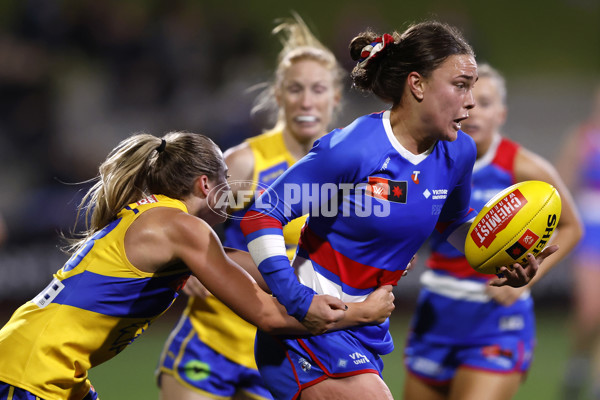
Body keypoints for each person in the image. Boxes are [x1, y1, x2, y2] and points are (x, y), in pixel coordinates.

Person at [239, 21, 558, 400]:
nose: (470, 101)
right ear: (417, 85)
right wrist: (297, 300)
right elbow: (263, 213)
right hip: (309, 332)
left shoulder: (459, 152)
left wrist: (503, 255)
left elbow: (454, 223)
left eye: (472, 87)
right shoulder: (353, 149)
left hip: (367, 327)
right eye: (460, 85)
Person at [0, 131, 395, 400]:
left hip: (41, 363)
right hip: (31, 370)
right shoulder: (184, 229)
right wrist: (362, 313)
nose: (234, 186)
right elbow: (268, 316)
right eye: (226, 177)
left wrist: (347, 220)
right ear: (205, 185)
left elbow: (245, 232)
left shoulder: (159, 218)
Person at [156, 13, 346, 400]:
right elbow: (177, 212)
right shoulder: (247, 162)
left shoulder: (348, 167)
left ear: (335, 97)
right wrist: (185, 263)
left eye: (317, 89)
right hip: (214, 337)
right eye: (295, 89)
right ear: (278, 95)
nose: (306, 100)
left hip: (283, 347)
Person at [402, 63, 583, 400]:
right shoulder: (431, 161)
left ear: (501, 113)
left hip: (496, 319)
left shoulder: (524, 167)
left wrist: (530, 277)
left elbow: (572, 226)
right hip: (436, 311)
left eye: (484, 103)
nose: (473, 111)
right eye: (466, 102)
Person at [558, 84, 600, 400]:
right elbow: (562, 183)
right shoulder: (583, 138)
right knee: (589, 310)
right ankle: (577, 363)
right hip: (590, 227)